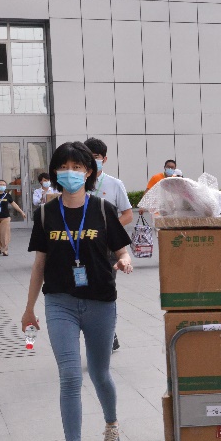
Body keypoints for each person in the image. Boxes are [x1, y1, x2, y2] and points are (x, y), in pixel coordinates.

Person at [21, 141, 134, 441]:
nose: (69, 172)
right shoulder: (45, 214)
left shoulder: (102, 209)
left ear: (88, 172)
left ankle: (111, 424)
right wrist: (29, 309)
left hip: (100, 301)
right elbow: (39, 264)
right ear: (55, 172)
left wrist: (125, 261)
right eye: (63, 166)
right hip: (60, 303)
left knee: (100, 373)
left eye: (77, 167)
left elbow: (122, 249)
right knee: (70, 376)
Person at [84, 138, 134, 352]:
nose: (92, 161)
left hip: (106, 248)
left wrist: (107, 230)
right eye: (88, 157)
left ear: (104, 159)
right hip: (81, 249)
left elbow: (128, 215)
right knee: (83, 290)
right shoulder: (77, 184)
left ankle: (109, 333)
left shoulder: (114, 184)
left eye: (96, 157)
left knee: (105, 289)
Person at [0, 179, 24, 256]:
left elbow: (14, 204)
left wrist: (21, 212)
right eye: (0, 184)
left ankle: (5, 250)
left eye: (4, 185)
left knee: (5, 234)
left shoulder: (7, 195)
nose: (2, 186)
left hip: (5, 217)